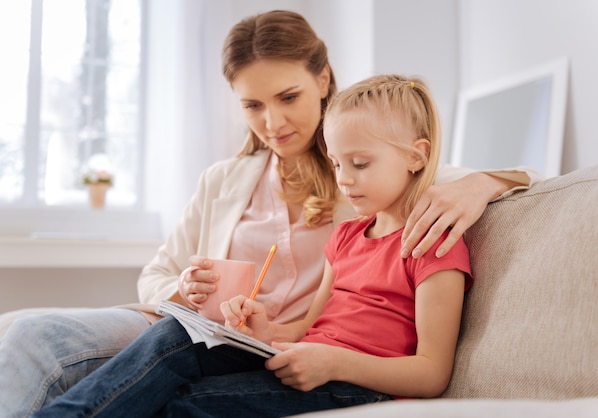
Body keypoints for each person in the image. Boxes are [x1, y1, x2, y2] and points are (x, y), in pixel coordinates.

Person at [0, 10, 539, 418]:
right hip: (236, 334)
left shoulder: (387, 185)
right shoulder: (261, 193)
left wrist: (486, 181)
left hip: (325, 365)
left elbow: (506, 177)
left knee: (184, 398)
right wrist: (197, 294)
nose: (272, 122)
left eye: (287, 97)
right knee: (38, 333)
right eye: (253, 106)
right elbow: (165, 280)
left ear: (324, 80)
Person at [33, 73, 474, 418]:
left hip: (357, 387)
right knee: (175, 335)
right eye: (338, 163)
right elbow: (306, 328)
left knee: (187, 404)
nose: (344, 179)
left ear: (416, 156)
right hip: (310, 365)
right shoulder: (346, 236)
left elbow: (432, 373)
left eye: (360, 163)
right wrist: (263, 331)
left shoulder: (433, 245)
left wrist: (332, 363)